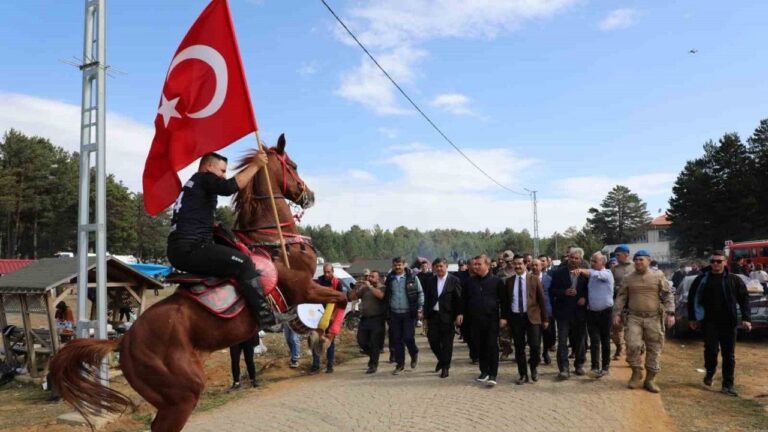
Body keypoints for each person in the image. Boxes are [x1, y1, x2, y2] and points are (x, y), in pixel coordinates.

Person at [166, 151, 280, 326]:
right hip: (192, 248)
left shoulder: (193, 185)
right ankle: (265, 317)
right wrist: (256, 165)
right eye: (222, 170)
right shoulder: (204, 178)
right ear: (209, 166)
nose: (224, 175)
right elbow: (228, 187)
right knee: (243, 262)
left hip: (180, 249)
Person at [687, 250, 752, 396]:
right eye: (713, 261)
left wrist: (747, 318)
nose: (715, 264)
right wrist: (693, 318)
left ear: (725, 262)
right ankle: (710, 372)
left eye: (718, 261)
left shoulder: (734, 280)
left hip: (729, 322)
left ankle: (727, 385)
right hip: (709, 322)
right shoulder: (701, 279)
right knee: (711, 350)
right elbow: (692, 299)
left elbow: (744, 299)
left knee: (729, 354)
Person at [614, 250, 675, 393]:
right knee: (632, 345)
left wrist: (670, 313)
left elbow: (667, 294)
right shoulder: (628, 277)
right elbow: (621, 296)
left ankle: (650, 379)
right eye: (636, 260)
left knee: (654, 348)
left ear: (648, 260)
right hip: (634, 318)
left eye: (641, 259)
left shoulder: (658, 275)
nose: (638, 262)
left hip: (653, 318)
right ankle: (636, 373)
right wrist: (617, 313)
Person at [456, 255, 504, 387]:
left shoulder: (497, 281)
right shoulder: (470, 282)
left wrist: (504, 317)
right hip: (474, 320)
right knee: (480, 345)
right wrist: (460, 313)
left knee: (492, 346)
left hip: (492, 319)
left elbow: (504, 301)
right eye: (474, 264)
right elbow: (463, 299)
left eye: (478, 264)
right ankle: (484, 372)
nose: (475, 266)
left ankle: (493, 374)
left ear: (487, 265)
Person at [500, 256, 549, 384]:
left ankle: (533, 367)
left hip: (533, 317)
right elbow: (505, 302)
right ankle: (522, 374)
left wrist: (545, 319)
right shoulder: (509, 281)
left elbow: (541, 300)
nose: (517, 266)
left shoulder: (534, 279)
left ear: (525, 264)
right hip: (516, 318)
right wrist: (504, 317)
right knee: (519, 347)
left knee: (535, 346)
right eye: (515, 264)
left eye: (520, 264)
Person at [550, 247, 589, 380]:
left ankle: (579, 365)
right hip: (563, 312)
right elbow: (552, 290)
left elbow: (591, 289)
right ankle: (564, 368)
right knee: (562, 341)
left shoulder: (586, 273)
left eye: (576, 258)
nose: (573, 260)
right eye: (571, 257)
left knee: (580, 340)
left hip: (579, 312)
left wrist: (585, 297)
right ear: (568, 257)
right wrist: (564, 292)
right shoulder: (558, 272)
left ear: (581, 259)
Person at [574, 252, 615, 378]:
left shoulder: (607, 274)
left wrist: (581, 270)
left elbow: (596, 274)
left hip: (606, 313)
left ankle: (606, 366)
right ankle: (595, 367)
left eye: (594, 261)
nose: (592, 263)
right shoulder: (591, 274)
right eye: (591, 261)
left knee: (605, 340)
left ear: (602, 262)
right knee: (595, 341)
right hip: (592, 312)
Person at [384, 257, 424, 375]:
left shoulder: (412, 277)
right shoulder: (390, 279)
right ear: (393, 265)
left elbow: (420, 293)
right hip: (394, 313)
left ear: (404, 265)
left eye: (400, 265)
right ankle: (400, 364)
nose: (398, 267)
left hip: (408, 313)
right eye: (395, 265)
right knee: (396, 340)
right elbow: (387, 295)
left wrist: (420, 308)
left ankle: (414, 353)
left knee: (408, 338)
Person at [423, 258, 462, 378]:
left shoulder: (454, 280)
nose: (439, 269)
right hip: (433, 316)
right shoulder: (430, 281)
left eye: (441, 266)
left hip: (448, 316)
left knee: (447, 344)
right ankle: (442, 360)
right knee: (432, 340)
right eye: (437, 266)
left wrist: (459, 314)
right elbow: (427, 299)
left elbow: (459, 299)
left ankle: (445, 367)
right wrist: (425, 316)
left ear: (446, 266)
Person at [311, 263, 345, 373]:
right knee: (315, 340)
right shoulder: (318, 282)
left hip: (331, 316)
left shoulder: (337, 283)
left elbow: (341, 301)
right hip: (318, 315)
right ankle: (316, 365)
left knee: (330, 341)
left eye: (328, 272)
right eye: (325, 272)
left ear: (333, 271)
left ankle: (330, 365)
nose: (326, 274)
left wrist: (334, 316)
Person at [351, 271, 386, 374]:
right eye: (369, 276)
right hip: (365, 319)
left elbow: (381, 296)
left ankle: (373, 365)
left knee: (375, 343)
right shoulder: (364, 288)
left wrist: (370, 286)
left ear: (378, 278)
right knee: (361, 341)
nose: (370, 278)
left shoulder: (382, 287)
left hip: (377, 319)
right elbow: (353, 297)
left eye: (372, 276)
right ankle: (374, 356)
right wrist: (355, 287)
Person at [610, 245, 634, 360]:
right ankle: (619, 347)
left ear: (627, 254)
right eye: (616, 255)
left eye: (619, 255)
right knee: (615, 328)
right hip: (618, 302)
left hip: (633, 303)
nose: (617, 257)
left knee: (632, 329)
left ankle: (633, 351)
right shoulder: (614, 269)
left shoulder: (635, 267)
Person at [533, 258, 555, 365]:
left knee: (547, 335)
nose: (535, 267)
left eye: (537, 265)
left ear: (542, 267)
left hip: (547, 310)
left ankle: (545, 352)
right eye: (532, 265)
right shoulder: (528, 278)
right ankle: (535, 355)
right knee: (535, 336)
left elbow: (552, 295)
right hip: (533, 312)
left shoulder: (549, 279)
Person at [495, 250, 516, 360]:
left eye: (511, 261)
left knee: (518, 330)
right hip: (504, 304)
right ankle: (506, 348)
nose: (509, 263)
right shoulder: (500, 273)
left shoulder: (520, 271)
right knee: (503, 329)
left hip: (517, 304)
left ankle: (519, 352)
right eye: (507, 261)